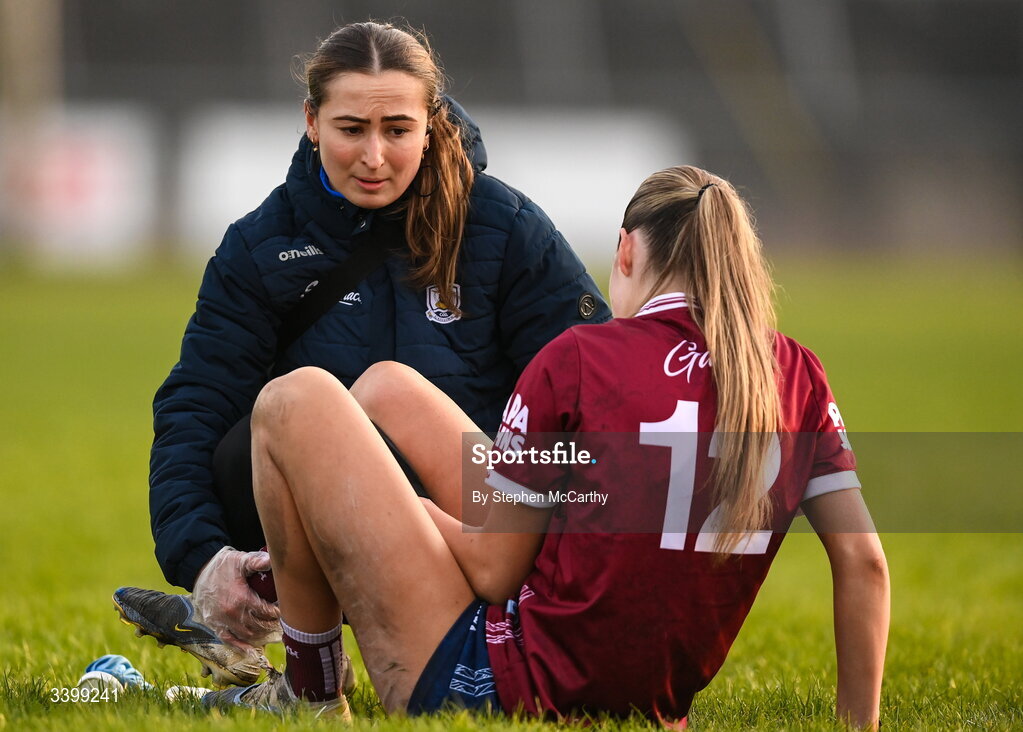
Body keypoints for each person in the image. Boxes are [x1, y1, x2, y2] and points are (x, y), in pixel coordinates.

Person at [160, 165, 889, 726]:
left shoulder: (581, 358)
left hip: (502, 682)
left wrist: (369, 513)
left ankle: (311, 690)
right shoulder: (793, 374)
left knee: (295, 400)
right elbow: (862, 564)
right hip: (649, 697)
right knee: (386, 386)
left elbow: (493, 570)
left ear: (626, 252)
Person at [120, 20, 609, 685]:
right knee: (247, 439)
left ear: (431, 124)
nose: (374, 156)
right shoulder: (259, 247)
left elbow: (594, 396)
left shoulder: (507, 228)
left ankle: (409, 646)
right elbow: (194, 408)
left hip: (479, 525)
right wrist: (205, 560)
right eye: (351, 129)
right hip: (320, 522)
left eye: (397, 130)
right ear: (311, 121)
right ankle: (301, 652)